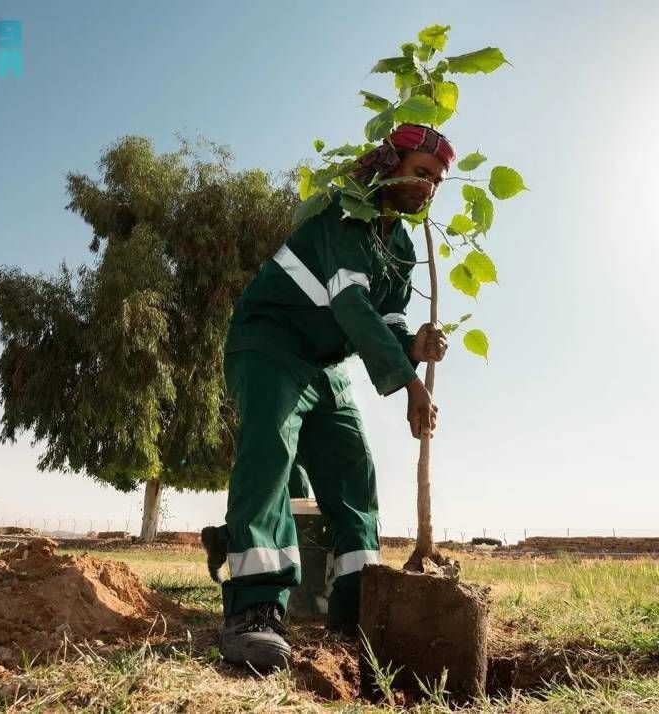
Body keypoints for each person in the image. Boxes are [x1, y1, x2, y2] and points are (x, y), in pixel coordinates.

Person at [218, 123, 454, 670]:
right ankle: (254, 610)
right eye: (421, 172)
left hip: (326, 362)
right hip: (270, 343)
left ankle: (353, 606)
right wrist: (410, 383)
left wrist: (414, 345)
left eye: (438, 181)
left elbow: (385, 324)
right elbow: (351, 306)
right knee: (271, 452)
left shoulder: (398, 248)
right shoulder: (345, 214)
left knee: (354, 471)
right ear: (388, 163)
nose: (428, 188)